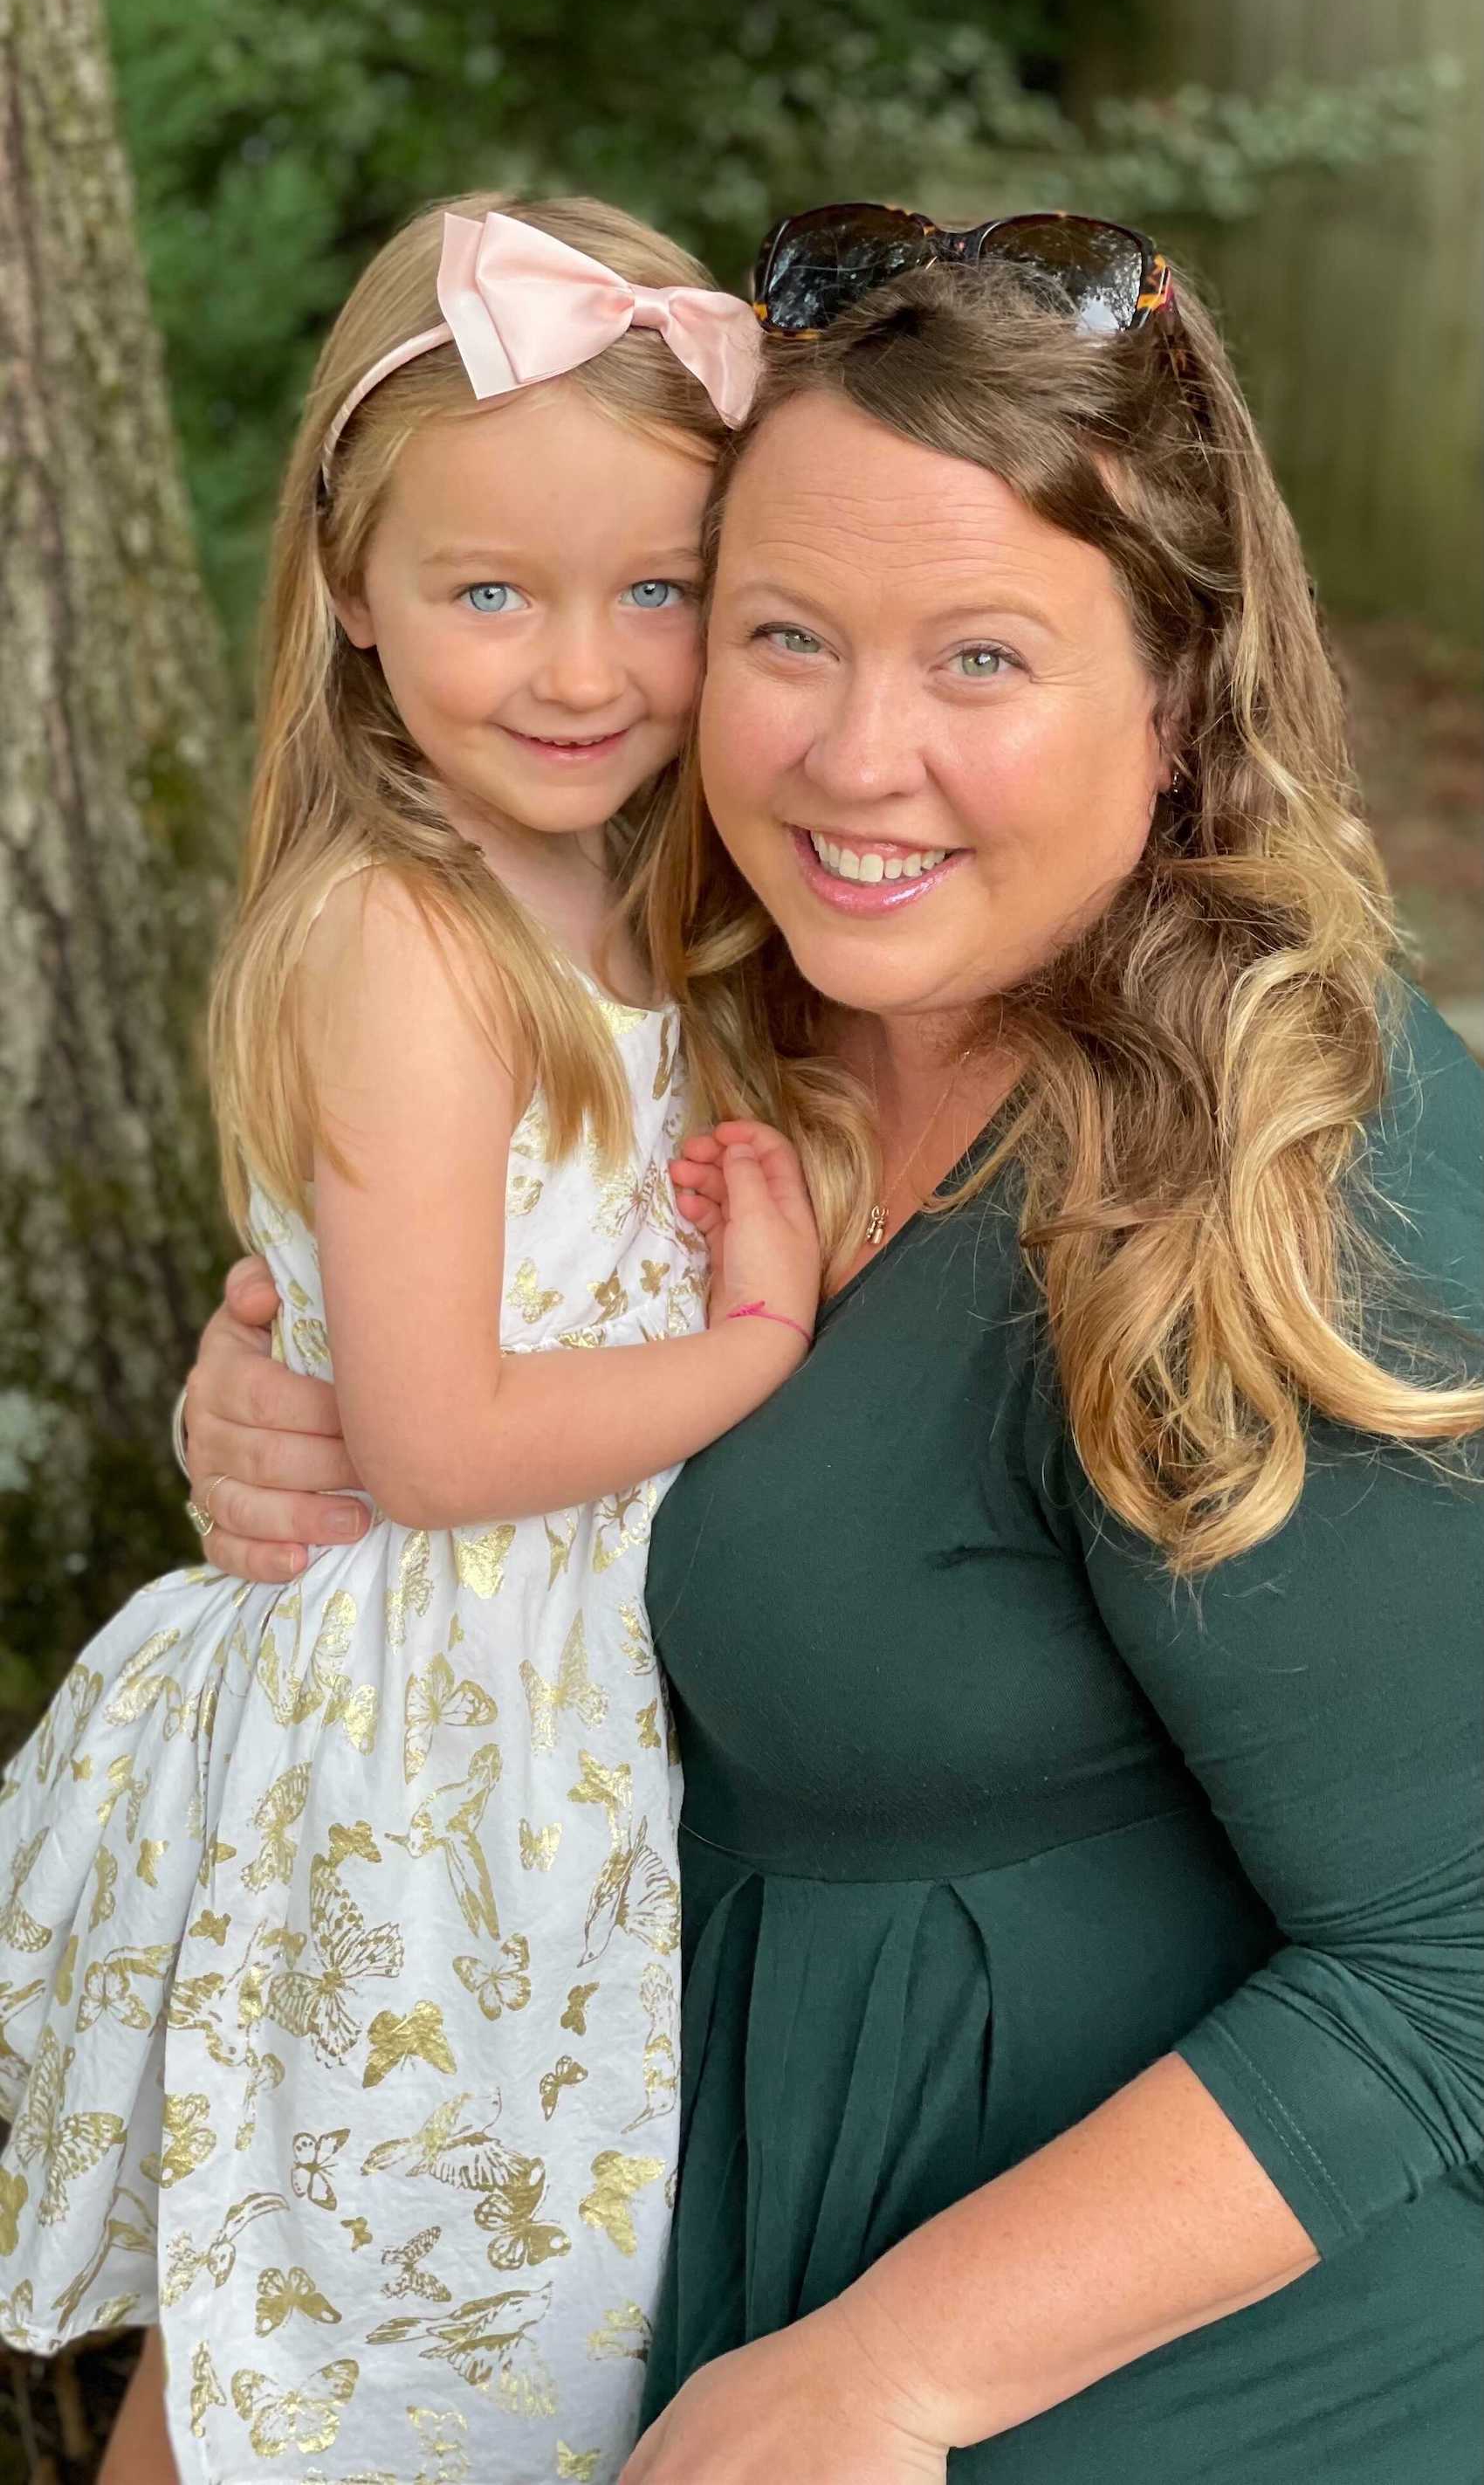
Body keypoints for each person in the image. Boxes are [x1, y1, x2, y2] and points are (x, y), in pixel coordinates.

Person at [177, 206, 1484, 2481]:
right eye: (786, 634)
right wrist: (285, 1411)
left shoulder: (1276, 1165)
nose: (856, 759)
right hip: (602, 2240)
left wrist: (894, 2375)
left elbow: (1452, 1962)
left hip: (1126, 2391)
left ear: (1174, 691)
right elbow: (476, 1413)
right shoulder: (694, 1002)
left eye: (979, 660)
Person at [0, 190, 821, 2485]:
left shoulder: (648, 906)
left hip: (554, 1760)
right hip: (420, 1761)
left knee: (413, 2346)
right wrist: (755, 1338)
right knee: (312, 2346)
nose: (581, 669)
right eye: (490, 592)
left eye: (657, 589)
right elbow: (440, 1440)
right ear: (353, 600)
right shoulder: (408, 940)